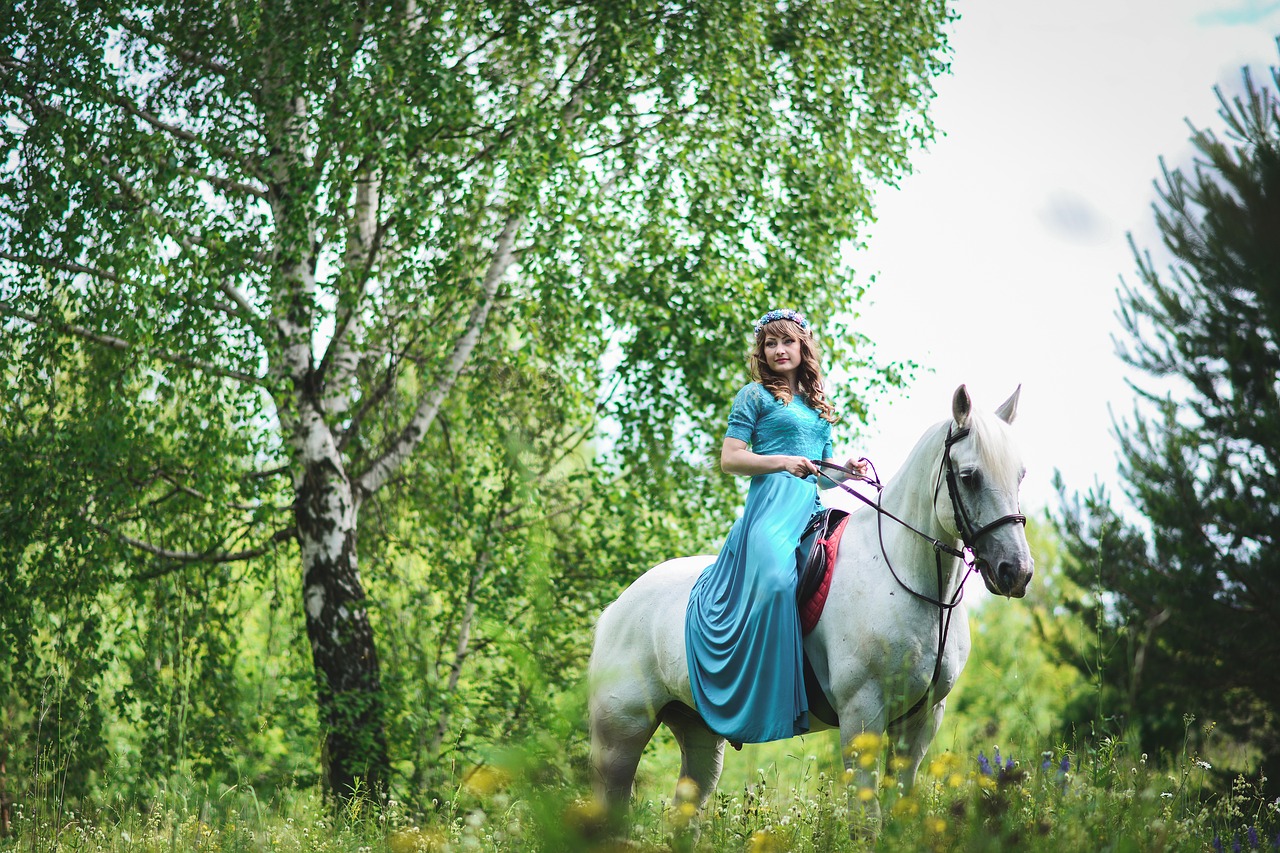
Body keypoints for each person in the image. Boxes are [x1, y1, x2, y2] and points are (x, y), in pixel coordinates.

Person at [685, 308, 867, 744]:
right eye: (770, 343)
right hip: (768, 513)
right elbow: (731, 458)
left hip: (809, 511)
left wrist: (844, 470)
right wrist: (782, 461)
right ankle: (753, 685)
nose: (779, 350)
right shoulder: (754, 396)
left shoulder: (820, 408)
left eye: (787, 341)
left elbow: (818, 474)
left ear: (804, 347)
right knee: (774, 582)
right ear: (762, 352)